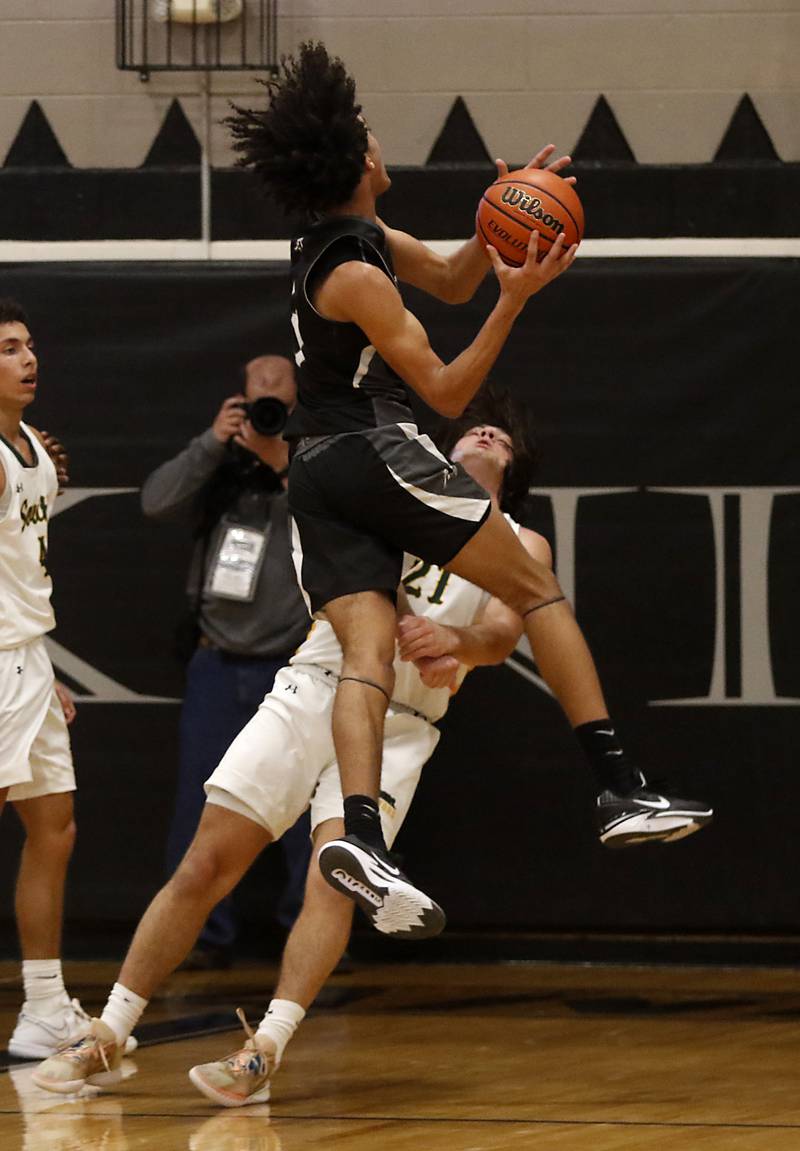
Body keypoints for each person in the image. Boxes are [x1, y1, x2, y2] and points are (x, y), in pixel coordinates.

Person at [32, 390, 710, 1099]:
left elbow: (504, 633)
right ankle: (107, 1028)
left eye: (504, 438)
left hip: (404, 726)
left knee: (336, 876)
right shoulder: (389, 496)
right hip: (318, 685)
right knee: (206, 859)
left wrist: (458, 641)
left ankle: (265, 1047)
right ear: (441, 450)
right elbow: (334, 577)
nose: (488, 432)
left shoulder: (519, 540)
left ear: (515, 470)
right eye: (476, 426)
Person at [222, 42, 710, 934]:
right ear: (352, 161)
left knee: (366, 652)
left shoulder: (345, 239)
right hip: (373, 449)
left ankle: (360, 836)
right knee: (532, 585)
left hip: (318, 472)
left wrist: (504, 215)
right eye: (366, 133)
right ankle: (619, 787)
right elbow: (446, 392)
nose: (377, 141)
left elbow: (449, 275)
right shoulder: (357, 274)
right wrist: (517, 297)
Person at [140, 355, 313, 970]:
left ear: (299, 402)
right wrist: (214, 441)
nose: (267, 412)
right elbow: (155, 501)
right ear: (239, 399)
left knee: (303, 816)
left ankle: (305, 933)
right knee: (200, 806)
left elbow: (339, 524)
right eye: (255, 401)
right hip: (217, 662)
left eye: (279, 403)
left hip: (293, 666)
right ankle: (200, 936)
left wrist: (281, 456)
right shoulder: (220, 465)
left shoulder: (317, 459)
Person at [0, 298, 136, 1060]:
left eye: (30, 344)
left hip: (25, 659)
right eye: (9, 348)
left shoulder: (35, 447)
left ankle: (44, 1006)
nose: (28, 358)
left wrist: (39, 670)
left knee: (54, 828)